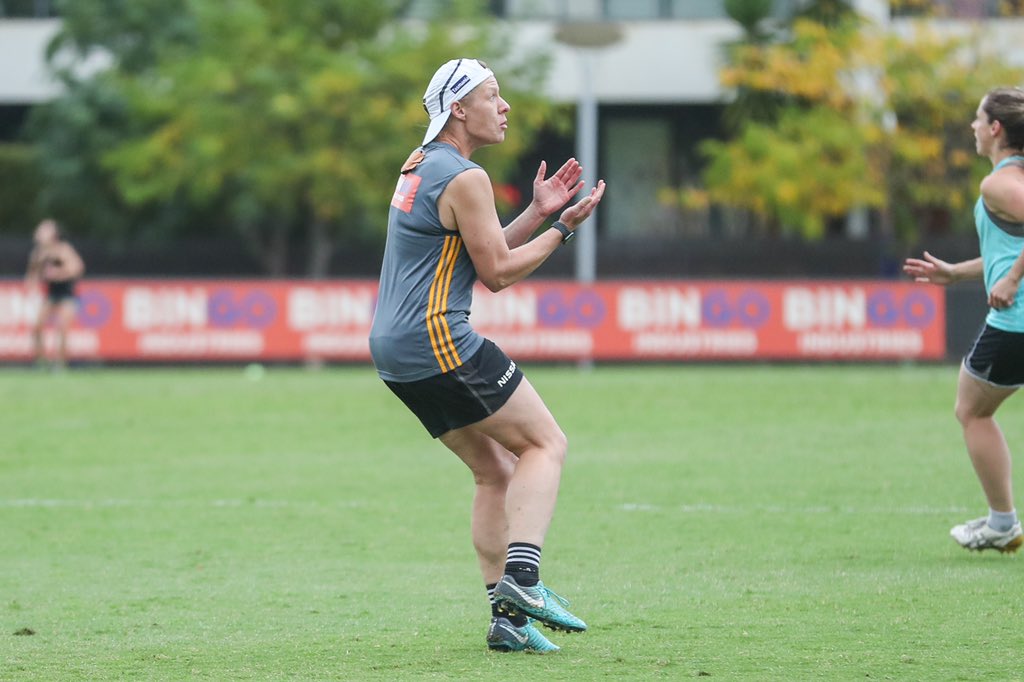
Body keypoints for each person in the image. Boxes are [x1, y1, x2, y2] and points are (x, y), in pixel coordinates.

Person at [368, 58, 606, 653]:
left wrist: (537, 213)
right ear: (458, 109)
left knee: (494, 470)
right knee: (546, 444)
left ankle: (507, 623)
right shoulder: (466, 176)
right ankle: (523, 583)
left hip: (395, 351)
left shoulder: (421, 164)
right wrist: (564, 231)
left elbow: (479, 249)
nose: (504, 107)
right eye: (493, 96)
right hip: (437, 338)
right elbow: (497, 273)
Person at [904, 86, 1024, 554]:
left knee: (971, 410)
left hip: (1016, 322)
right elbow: (1008, 250)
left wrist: (1012, 281)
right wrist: (958, 272)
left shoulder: (996, 183)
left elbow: (1013, 262)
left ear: (995, 129)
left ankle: (1001, 523)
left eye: (977, 119)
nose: (972, 128)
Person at [24, 218, 85, 370]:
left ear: (53, 234)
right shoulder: (38, 253)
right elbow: (33, 273)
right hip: (50, 295)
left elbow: (77, 268)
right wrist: (31, 284)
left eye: (43, 230)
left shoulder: (63, 249)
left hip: (67, 295)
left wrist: (58, 273)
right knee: (37, 327)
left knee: (62, 328)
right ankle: (40, 361)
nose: (39, 233)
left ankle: (61, 363)